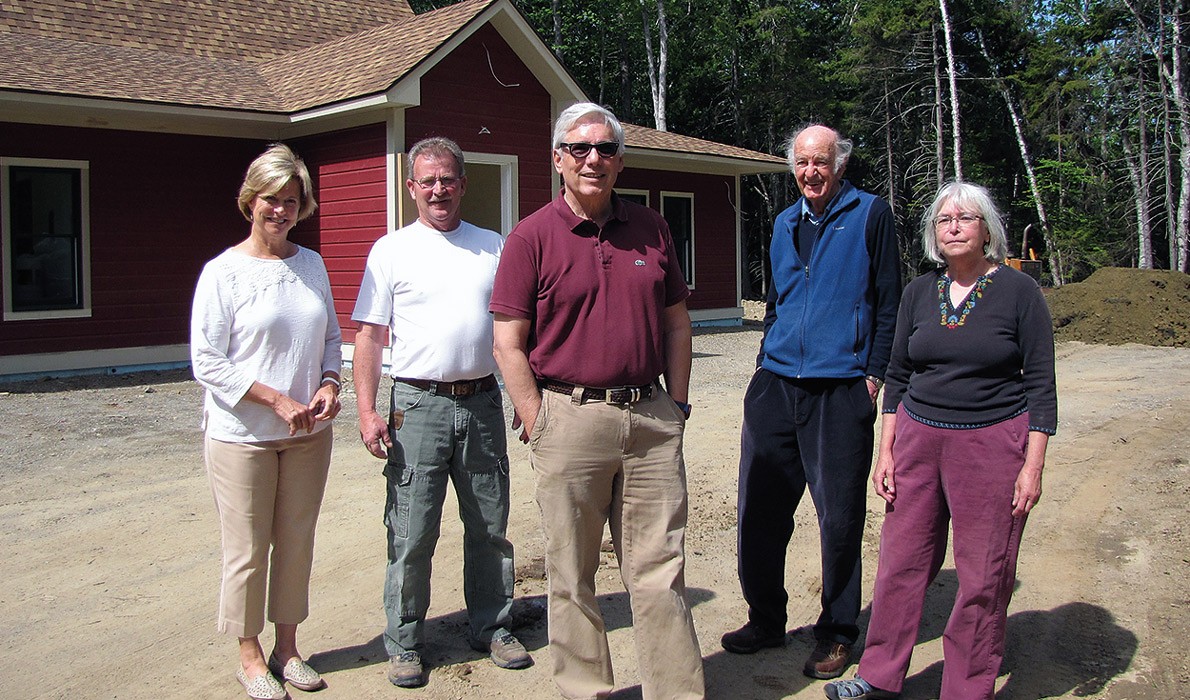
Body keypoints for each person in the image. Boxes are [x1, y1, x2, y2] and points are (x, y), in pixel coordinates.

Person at [491, 102, 705, 700]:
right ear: (558, 158)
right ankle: (587, 690)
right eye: (580, 148)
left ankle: (677, 692)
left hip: (650, 419)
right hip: (569, 419)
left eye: (605, 149)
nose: (593, 159)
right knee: (571, 575)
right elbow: (508, 343)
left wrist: (677, 405)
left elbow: (678, 326)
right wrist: (539, 421)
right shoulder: (531, 237)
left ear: (620, 161)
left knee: (661, 571)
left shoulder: (652, 228)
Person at [824, 182, 1057, 700]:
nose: (953, 226)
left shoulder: (1021, 293)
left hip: (993, 444)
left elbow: (1041, 383)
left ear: (986, 229)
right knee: (900, 563)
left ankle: (966, 687)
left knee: (983, 574)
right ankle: (880, 676)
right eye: (943, 219)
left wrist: (1032, 465)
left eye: (965, 217)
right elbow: (897, 374)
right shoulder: (918, 291)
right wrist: (887, 451)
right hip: (918, 440)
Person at [722, 124, 901, 681]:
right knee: (759, 510)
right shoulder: (782, 224)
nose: (810, 173)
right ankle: (766, 617)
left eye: (821, 162)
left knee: (840, 518)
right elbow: (777, 303)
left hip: (840, 389)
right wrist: (762, 362)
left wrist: (872, 378)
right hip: (776, 386)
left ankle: (836, 632)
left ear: (840, 164)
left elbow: (889, 302)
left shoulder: (871, 216)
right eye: (801, 163)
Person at [352, 136, 530, 689]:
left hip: (481, 403)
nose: (438, 190)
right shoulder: (390, 251)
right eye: (427, 181)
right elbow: (369, 336)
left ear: (463, 184)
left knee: (490, 526)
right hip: (416, 405)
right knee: (411, 531)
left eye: (447, 179)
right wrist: (365, 410)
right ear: (411, 188)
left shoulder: (494, 246)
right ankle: (405, 640)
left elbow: (518, 328)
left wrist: (526, 394)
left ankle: (492, 626)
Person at [191, 143, 341, 700]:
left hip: (308, 436)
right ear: (249, 201)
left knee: (296, 541)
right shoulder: (222, 273)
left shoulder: (311, 264)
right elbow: (206, 361)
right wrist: (276, 400)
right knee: (248, 548)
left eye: (292, 201)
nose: (280, 211)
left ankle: (288, 647)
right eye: (271, 200)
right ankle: (250, 657)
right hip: (243, 437)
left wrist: (329, 383)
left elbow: (329, 337)